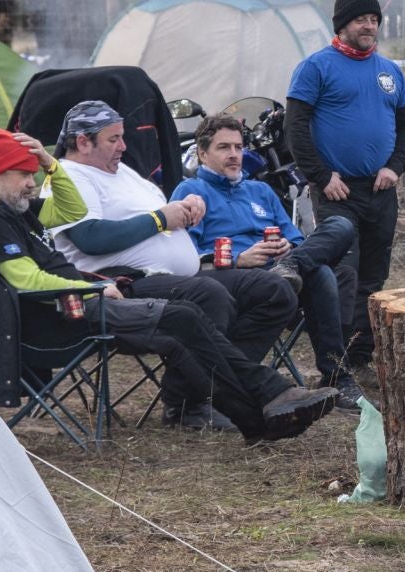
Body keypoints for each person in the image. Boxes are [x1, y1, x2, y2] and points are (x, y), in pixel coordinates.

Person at [0, 128, 337, 444]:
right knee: (183, 318)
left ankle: (256, 418)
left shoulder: (15, 209)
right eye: (24, 174)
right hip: (63, 316)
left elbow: (70, 211)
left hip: (79, 302)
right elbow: (27, 278)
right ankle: (268, 395)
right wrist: (94, 289)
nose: (31, 182)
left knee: (184, 328)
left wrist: (49, 165)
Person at [47, 100, 297, 430]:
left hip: (179, 275)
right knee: (208, 295)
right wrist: (160, 218)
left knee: (273, 291)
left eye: (122, 137)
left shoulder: (122, 172)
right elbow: (91, 238)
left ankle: (213, 390)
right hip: (119, 284)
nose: (123, 146)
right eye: (113, 139)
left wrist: (187, 208)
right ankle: (190, 405)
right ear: (82, 142)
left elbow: (158, 218)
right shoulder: (69, 177)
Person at [172, 113, 366, 412]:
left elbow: (298, 239)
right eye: (224, 148)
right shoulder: (191, 193)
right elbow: (186, 256)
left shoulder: (260, 191)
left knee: (340, 225)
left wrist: (290, 248)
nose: (235, 155)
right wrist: (240, 260)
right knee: (323, 274)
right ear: (202, 153)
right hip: (234, 281)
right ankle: (335, 374)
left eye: (239, 147)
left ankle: (336, 378)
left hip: (282, 272)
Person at [286, 0, 405, 368]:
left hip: (380, 190)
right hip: (336, 190)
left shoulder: (389, 71)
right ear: (342, 25)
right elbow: (296, 128)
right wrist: (321, 175)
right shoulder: (316, 67)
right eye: (362, 19)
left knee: (374, 276)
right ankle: (335, 359)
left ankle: (361, 356)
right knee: (344, 273)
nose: (369, 26)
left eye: (374, 20)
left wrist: (395, 166)